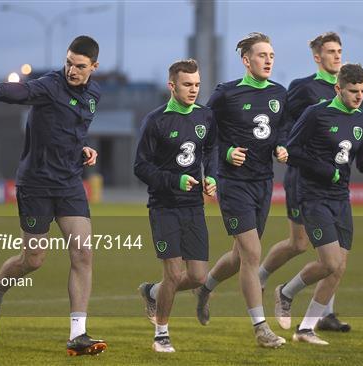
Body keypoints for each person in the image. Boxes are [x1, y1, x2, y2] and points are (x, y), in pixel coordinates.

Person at [0, 35, 107, 357]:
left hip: (70, 182)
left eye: (80, 66)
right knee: (33, 260)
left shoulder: (95, 95)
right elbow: (22, 91)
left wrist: (83, 148)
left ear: (94, 67)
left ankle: (78, 334)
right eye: (69, 62)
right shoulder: (50, 85)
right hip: (36, 184)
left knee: (83, 253)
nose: (72, 70)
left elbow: (74, 128)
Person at [194, 32, 290, 348]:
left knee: (239, 257)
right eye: (262, 55)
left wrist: (281, 146)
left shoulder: (280, 93)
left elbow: (283, 129)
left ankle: (205, 287)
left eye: (272, 56)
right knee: (252, 253)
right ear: (246, 60)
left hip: (263, 182)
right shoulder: (226, 94)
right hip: (233, 183)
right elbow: (203, 133)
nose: (268, 61)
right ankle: (261, 327)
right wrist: (223, 154)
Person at [279, 63, 363, 345]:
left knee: (339, 267)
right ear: (338, 88)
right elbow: (292, 151)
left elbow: (361, 160)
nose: (359, 96)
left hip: (340, 199)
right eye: (353, 91)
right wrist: (325, 170)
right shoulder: (316, 114)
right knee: (330, 262)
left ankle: (306, 328)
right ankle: (286, 291)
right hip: (313, 196)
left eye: (362, 91)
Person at [258, 32, 351, 331]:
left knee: (335, 251)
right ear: (317, 57)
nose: (337, 56)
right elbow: (284, 123)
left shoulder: (347, 90)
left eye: (339, 51)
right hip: (304, 177)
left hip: (334, 183)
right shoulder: (303, 88)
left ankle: (323, 314)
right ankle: (260, 276)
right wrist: (282, 146)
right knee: (300, 243)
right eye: (331, 52)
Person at [134, 59, 217, 353]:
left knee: (197, 277)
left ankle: (152, 293)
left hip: (194, 206)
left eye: (197, 84)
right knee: (174, 274)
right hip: (164, 206)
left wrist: (212, 178)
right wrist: (174, 181)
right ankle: (161, 334)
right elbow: (140, 167)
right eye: (187, 85)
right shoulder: (155, 121)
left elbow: (211, 150)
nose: (194, 90)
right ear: (172, 86)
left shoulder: (205, 116)